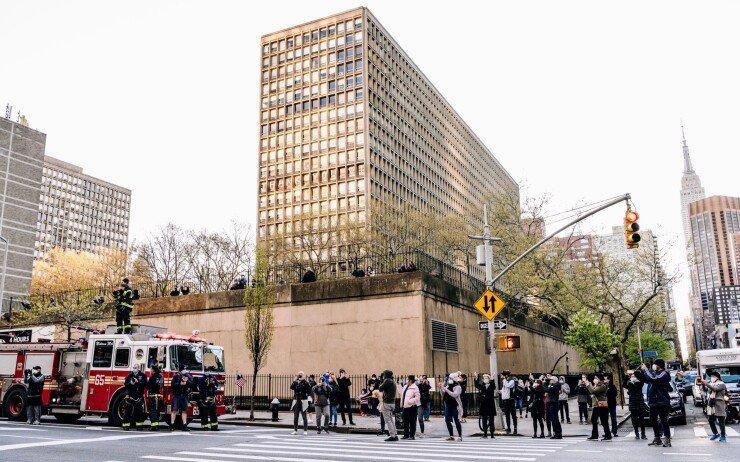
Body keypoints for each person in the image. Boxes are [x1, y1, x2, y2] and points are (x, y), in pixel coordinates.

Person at [641, 359, 672, 447]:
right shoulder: (655, 373)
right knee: (653, 419)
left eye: (655, 364)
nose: (653, 366)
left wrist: (646, 370)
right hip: (653, 401)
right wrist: (642, 372)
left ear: (659, 365)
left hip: (662, 401)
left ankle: (667, 439)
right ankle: (657, 437)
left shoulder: (663, 373)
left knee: (663, 421)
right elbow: (648, 379)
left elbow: (653, 379)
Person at [702, 371, 728, 442]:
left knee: (721, 421)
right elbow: (708, 391)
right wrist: (703, 384)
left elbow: (715, 389)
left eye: (713, 376)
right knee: (710, 419)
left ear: (717, 377)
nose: (712, 377)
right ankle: (715, 433)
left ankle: (723, 435)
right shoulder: (711, 383)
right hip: (712, 404)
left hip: (719, 404)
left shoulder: (721, 384)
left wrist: (706, 383)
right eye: (711, 376)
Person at [585, 374, 612, 441]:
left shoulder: (602, 385)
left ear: (600, 379)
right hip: (597, 405)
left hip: (601, 405)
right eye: (594, 378)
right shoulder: (597, 385)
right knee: (594, 420)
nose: (595, 379)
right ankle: (595, 435)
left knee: (604, 421)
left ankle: (608, 435)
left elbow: (593, 391)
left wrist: (588, 384)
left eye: (596, 378)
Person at [624, 369, 646, 440]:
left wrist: (636, 372)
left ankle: (643, 434)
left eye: (634, 376)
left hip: (640, 401)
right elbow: (624, 385)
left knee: (641, 418)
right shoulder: (630, 384)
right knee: (634, 419)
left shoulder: (640, 383)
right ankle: (637, 433)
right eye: (632, 376)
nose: (632, 377)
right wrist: (626, 377)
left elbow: (643, 378)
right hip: (632, 402)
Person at [440, 372, 463, 441]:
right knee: (447, 420)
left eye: (451, 378)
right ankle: (451, 435)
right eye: (449, 378)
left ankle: (460, 435)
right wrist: (441, 388)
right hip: (448, 405)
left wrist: (445, 389)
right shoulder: (448, 386)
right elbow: (442, 394)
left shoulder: (458, 387)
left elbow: (454, 395)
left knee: (456, 420)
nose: (449, 379)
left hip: (455, 406)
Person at [123, 364, 147, 431]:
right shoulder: (129, 376)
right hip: (130, 396)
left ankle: (139, 426)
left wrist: (138, 382)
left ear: (138, 368)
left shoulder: (142, 375)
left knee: (139, 412)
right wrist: (130, 383)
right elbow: (125, 385)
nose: (134, 369)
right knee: (127, 412)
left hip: (138, 396)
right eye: (133, 367)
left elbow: (144, 384)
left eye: (135, 368)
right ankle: (126, 426)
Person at [170, 364, 193, 431]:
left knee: (184, 411)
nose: (185, 370)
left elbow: (191, 384)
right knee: (174, 410)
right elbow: (172, 385)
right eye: (184, 369)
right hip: (177, 395)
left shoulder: (187, 376)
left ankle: (184, 426)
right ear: (180, 370)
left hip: (185, 396)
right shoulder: (175, 377)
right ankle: (172, 425)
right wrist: (179, 384)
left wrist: (187, 381)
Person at [474, 372, 497, 438]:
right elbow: (476, 385)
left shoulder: (491, 385)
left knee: (491, 420)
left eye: (487, 378)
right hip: (484, 404)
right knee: (484, 419)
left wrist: (492, 379)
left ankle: (492, 433)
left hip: (490, 404)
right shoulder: (482, 386)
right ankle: (485, 433)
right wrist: (476, 378)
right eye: (484, 378)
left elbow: (493, 386)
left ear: (489, 379)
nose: (485, 379)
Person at [378, 369, 398, 442]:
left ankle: (392, 435)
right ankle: (395, 434)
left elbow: (380, 389)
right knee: (391, 419)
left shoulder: (387, 381)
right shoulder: (393, 381)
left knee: (388, 420)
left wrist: (382, 381)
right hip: (392, 403)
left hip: (386, 402)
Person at [400, 375, 420, 440]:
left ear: (410, 380)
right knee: (405, 421)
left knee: (412, 421)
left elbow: (417, 398)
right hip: (405, 406)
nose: (406, 380)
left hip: (412, 406)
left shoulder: (415, 388)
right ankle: (406, 435)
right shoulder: (405, 387)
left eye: (407, 379)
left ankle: (412, 435)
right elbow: (402, 394)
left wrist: (410, 402)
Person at [543, 374, 563, 439]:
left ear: (554, 380)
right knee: (553, 419)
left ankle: (559, 434)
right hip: (550, 403)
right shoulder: (553, 385)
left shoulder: (556, 385)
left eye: (551, 380)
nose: (550, 381)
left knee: (555, 419)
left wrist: (544, 384)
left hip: (554, 404)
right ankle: (556, 433)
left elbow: (547, 390)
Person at [146, 364, 164, 431]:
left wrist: (146, 382)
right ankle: (156, 425)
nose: (150, 370)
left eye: (151, 369)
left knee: (152, 411)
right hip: (159, 396)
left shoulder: (152, 377)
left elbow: (149, 386)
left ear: (153, 370)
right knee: (157, 412)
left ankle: (154, 426)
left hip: (153, 396)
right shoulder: (160, 376)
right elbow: (161, 385)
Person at [500, 370, 517, 434]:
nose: (502, 376)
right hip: (505, 400)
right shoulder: (505, 381)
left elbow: (508, 386)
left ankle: (515, 428)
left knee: (513, 415)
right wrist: (500, 391)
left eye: (503, 375)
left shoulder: (511, 381)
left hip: (510, 400)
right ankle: (508, 427)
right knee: (507, 415)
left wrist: (504, 380)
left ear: (506, 375)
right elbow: (504, 390)